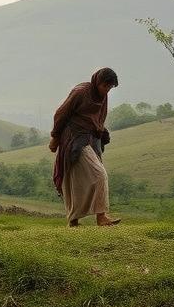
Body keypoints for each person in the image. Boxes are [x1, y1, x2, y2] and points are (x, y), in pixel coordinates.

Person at [49, 68, 121, 227]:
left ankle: (94, 217)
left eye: (110, 88)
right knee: (95, 174)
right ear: (97, 81)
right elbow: (61, 113)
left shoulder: (103, 96)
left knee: (83, 177)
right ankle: (88, 218)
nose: (107, 90)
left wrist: (100, 132)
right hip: (74, 137)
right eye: (105, 86)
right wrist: (55, 137)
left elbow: (99, 117)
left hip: (91, 136)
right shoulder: (81, 92)